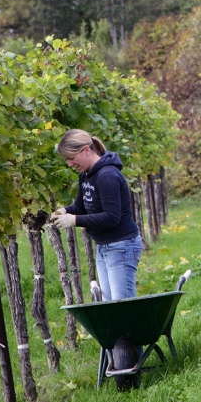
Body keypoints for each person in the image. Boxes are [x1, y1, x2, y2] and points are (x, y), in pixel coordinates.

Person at [50, 129, 143, 303]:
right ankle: (119, 331)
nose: (70, 164)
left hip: (121, 246)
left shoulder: (107, 176)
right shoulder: (85, 175)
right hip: (104, 246)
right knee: (109, 303)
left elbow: (111, 217)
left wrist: (74, 220)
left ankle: (132, 331)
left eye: (71, 158)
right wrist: (65, 210)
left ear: (86, 150)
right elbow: (80, 207)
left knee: (123, 305)